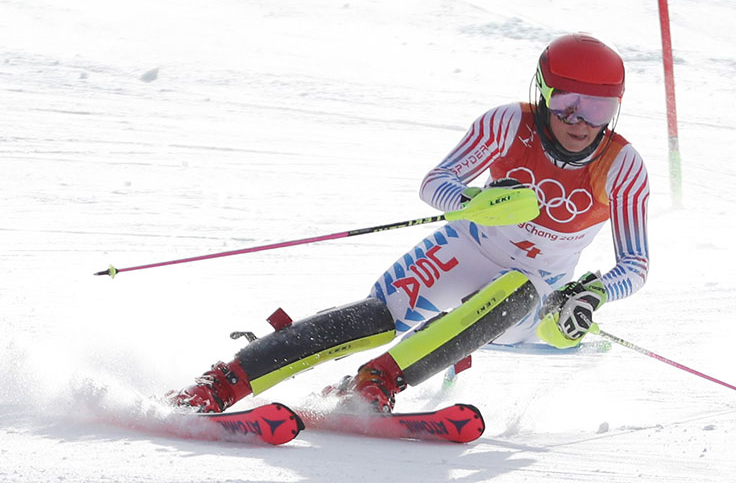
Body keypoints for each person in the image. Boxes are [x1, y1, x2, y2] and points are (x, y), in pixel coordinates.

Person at [170, 32, 650, 414]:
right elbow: (436, 182)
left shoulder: (622, 166)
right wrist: (474, 199)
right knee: (378, 316)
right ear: (543, 91)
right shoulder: (508, 124)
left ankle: (375, 381)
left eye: (597, 108)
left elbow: (635, 264)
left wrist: (594, 293)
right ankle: (226, 381)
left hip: (535, 290)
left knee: (517, 288)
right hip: (465, 250)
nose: (580, 120)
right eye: (568, 101)